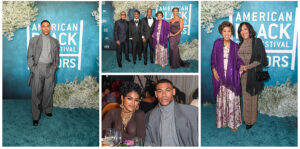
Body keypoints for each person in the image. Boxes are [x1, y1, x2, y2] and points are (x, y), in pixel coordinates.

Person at [210, 21, 244, 132]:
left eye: (229, 31)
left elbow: (239, 61)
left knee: (232, 100)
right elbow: (213, 59)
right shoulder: (217, 43)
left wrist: (242, 66)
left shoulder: (235, 46)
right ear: (221, 32)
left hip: (232, 78)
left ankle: (233, 123)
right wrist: (214, 70)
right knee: (222, 100)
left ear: (232, 32)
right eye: (224, 31)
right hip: (220, 77)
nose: (226, 33)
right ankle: (222, 122)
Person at [144, 79, 198, 146]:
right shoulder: (150, 116)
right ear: (156, 94)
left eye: (167, 90)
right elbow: (148, 141)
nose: (164, 95)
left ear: (173, 92)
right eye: (160, 91)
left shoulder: (192, 112)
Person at [27, 20, 59, 126]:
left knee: (48, 91)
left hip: (50, 68)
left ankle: (47, 110)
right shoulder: (34, 40)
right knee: (36, 93)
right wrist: (33, 68)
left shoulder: (55, 41)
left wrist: (55, 66)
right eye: (43, 26)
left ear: (50, 28)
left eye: (47, 26)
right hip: (38, 68)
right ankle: (36, 117)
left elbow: (57, 56)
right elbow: (29, 56)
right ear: (40, 28)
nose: (46, 28)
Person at [237, 22, 268, 130]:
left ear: (250, 30)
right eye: (241, 30)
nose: (243, 32)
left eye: (245, 29)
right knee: (245, 98)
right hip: (243, 76)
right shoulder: (240, 44)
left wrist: (248, 66)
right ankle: (246, 119)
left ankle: (251, 121)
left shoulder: (256, 41)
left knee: (253, 98)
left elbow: (261, 59)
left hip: (253, 74)